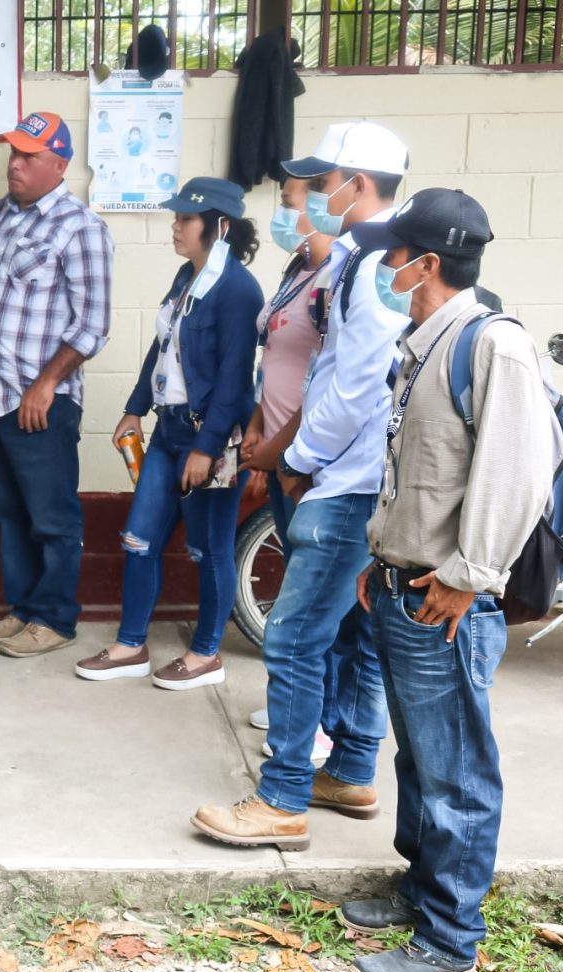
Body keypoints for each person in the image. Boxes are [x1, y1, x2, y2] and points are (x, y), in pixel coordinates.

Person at [342, 189, 558, 972]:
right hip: (405, 586)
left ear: (427, 264)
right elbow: (421, 476)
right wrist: (382, 556)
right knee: (421, 759)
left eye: (395, 252)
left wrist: (469, 580)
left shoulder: (490, 346)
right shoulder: (424, 343)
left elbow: (517, 477)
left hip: (446, 600)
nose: (384, 263)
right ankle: (420, 890)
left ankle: (448, 938)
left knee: (457, 769)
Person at [193, 120, 410, 851]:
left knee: (291, 638)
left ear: (360, 184)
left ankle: (283, 797)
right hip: (340, 476)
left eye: (322, 184)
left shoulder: (378, 262)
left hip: (343, 483)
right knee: (350, 633)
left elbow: (354, 388)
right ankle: (348, 772)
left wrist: (298, 459)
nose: (313, 197)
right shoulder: (358, 256)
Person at [0, 111, 113, 658]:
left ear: (58, 164)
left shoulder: (80, 228)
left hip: (39, 404)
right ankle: (24, 609)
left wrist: (45, 385)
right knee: (9, 512)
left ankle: (56, 618)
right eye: (12, 153)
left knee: (52, 516)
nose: (14, 164)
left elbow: (93, 323)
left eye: (28, 156)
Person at [77, 177, 262, 688]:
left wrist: (206, 450)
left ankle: (206, 655)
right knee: (139, 537)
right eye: (176, 217)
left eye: (185, 219)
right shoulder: (187, 276)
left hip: (213, 437)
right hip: (168, 431)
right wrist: (135, 408)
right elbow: (162, 349)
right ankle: (130, 645)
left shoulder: (238, 290)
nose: (175, 227)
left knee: (209, 549)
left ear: (219, 227)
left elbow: (232, 380)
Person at [242, 173, 334, 761]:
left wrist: (285, 452)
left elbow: (332, 382)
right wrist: (257, 422)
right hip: (278, 453)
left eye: (288, 203)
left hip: (309, 463)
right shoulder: (296, 270)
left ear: (319, 208)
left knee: (310, 612)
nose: (280, 213)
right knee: (296, 585)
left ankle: (317, 729)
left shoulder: (337, 279)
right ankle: (294, 709)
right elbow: (274, 357)